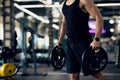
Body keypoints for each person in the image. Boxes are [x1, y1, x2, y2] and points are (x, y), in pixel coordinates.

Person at [56, 0, 104, 80]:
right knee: (73, 75)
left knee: (95, 73)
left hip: (83, 42)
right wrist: (60, 41)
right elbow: (64, 23)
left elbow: (99, 18)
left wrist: (97, 39)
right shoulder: (64, 4)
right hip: (70, 43)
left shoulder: (83, 1)